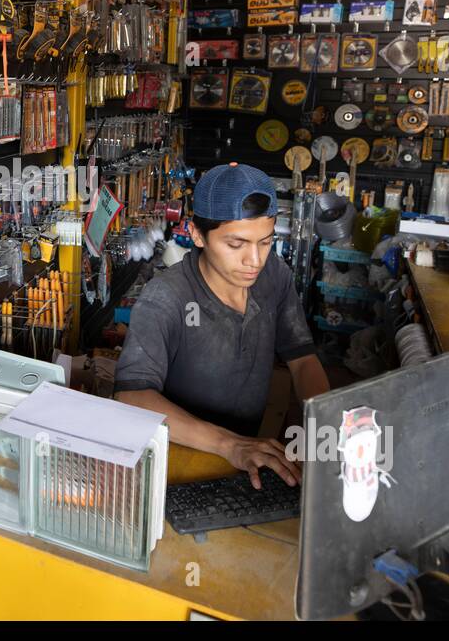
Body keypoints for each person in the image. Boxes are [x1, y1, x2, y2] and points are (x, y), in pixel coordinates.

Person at [115, 162, 329, 487]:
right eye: (236, 245)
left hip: (243, 457)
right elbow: (132, 397)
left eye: (265, 242)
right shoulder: (166, 297)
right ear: (198, 235)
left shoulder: (274, 275)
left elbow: (301, 361)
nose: (254, 260)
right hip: (178, 458)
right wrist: (229, 444)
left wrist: (325, 429)